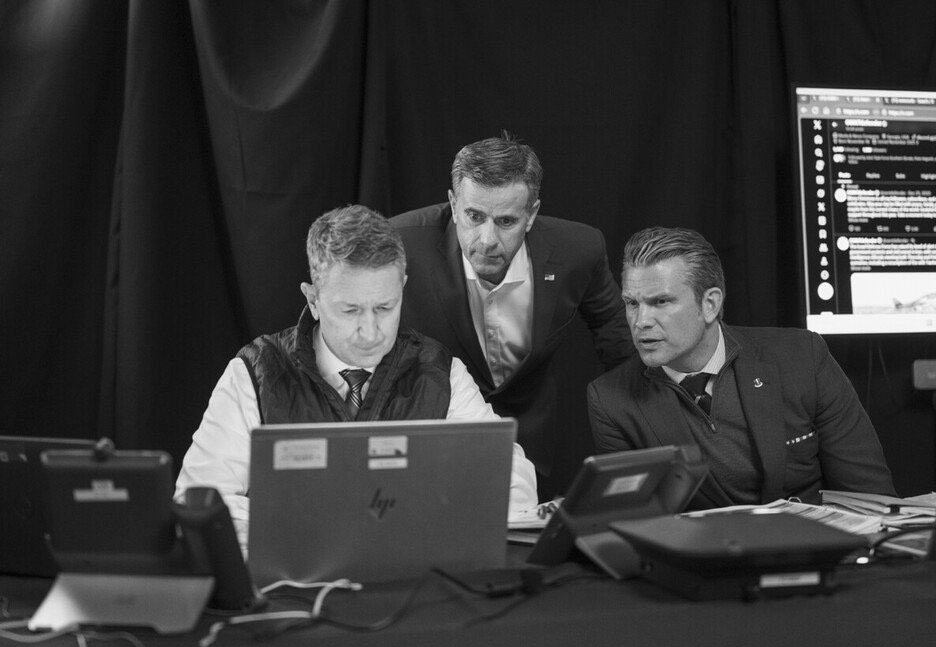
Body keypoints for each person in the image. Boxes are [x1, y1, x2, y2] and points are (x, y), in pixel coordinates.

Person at [174, 205, 537, 551]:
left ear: (402, 287)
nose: (371, 331)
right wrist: (329, 522)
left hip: (409, 582)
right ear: (313, 300)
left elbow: (511, 480)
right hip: (296, 585)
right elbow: (199, 501)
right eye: (350, 310)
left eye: (385, 307)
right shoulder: (256, 373)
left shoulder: (440, 372)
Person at [390, 135, 634, 496]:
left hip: (531, 444)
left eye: (506, 221)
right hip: (431, 446)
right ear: (454, 205)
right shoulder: (399, 244)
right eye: (474, 217)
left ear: (531, 215)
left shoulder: (578, 249)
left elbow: (621, 345)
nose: (487, 239)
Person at [587, 226, 895, 509]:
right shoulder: (612, 400)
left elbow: (871, 498)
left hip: (816, 545)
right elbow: (636, 525)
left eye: (661, 302)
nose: (640, 321)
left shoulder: (802, 356)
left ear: (710, 304)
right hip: (705, 550)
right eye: (632, 303)